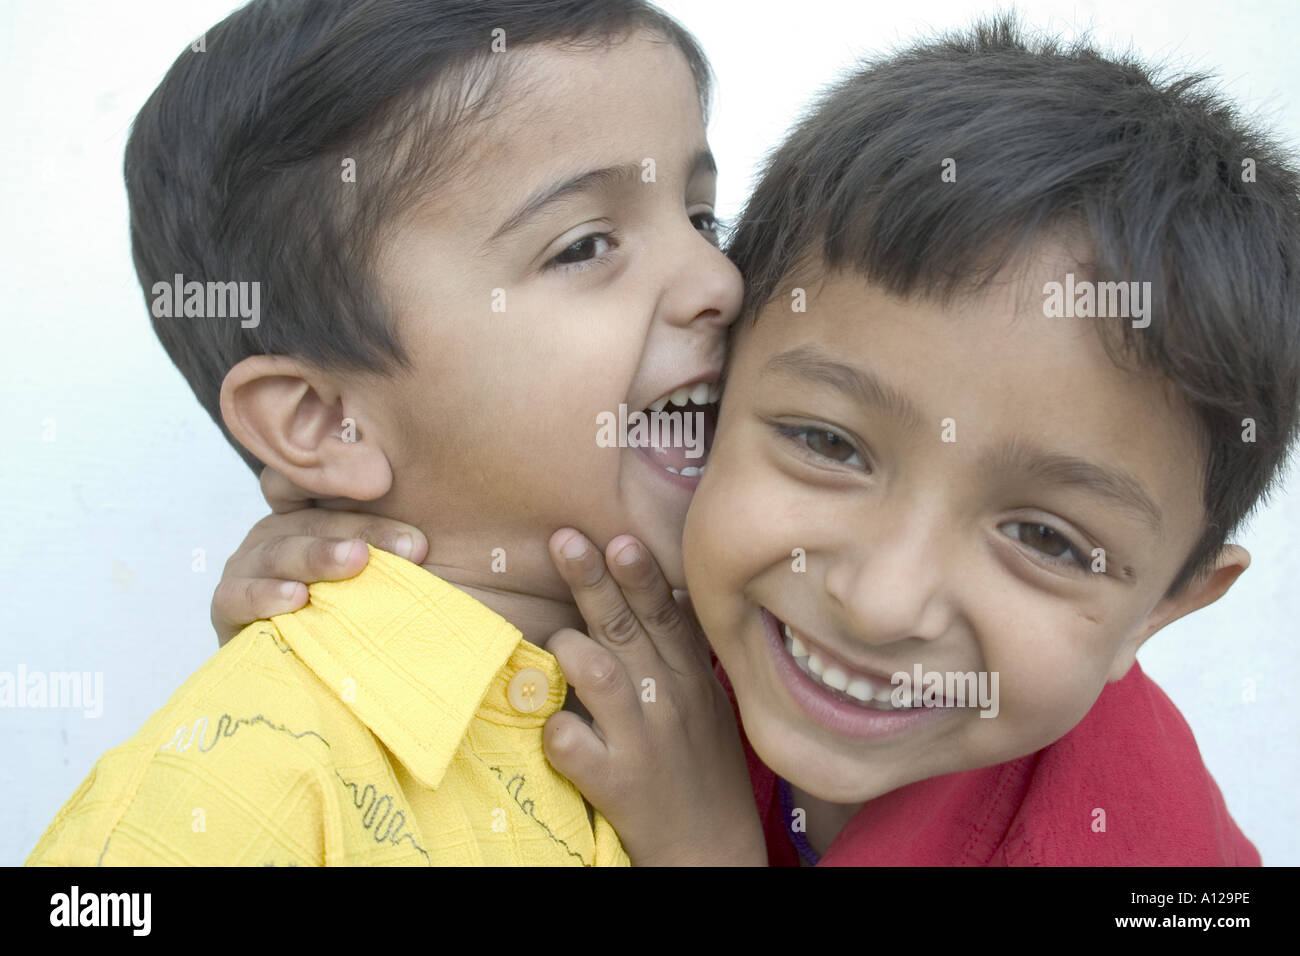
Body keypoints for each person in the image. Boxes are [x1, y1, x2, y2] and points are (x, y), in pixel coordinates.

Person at [217, 18, 1295, 865]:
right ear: (720, 392)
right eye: (828, 442)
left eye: (1048, 540)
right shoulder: (669, 602)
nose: (878, 600)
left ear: (1160, 608)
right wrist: (347, 605)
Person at [27, 0, 762, 867]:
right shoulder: (230, 795)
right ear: (325, 421)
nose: (717, 277)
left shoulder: (787, 665)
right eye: (584, 245)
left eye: (703, 219)